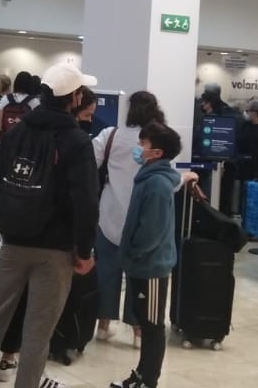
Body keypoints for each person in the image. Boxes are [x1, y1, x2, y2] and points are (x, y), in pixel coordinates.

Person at [0, 62, 99, 388]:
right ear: (75, 97)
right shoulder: (76, 142)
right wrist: (84, 249)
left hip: (12, 244)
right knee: (38, 333)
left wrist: (6, 223)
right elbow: (86, 201)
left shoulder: (19, 131)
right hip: (55, 252)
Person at [110, 123, 197, 388]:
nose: (139, 149)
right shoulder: (150, 176)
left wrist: (134, 255)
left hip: (151, 268)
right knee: (146, 322)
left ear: (157, 153)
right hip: (140, 266)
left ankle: (148, 380)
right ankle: (141, 374)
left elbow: (151, 231)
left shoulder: (157, 183)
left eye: (143, 144)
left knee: (152, 326)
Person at [94, 91, 166, 347]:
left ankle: (103, 324)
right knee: (139, 273)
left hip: (110, 212)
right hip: (143, 216)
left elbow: (90, 162)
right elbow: (167, 177)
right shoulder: (159, 141)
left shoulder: (110, 135)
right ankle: (138, 330)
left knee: (106, 269)